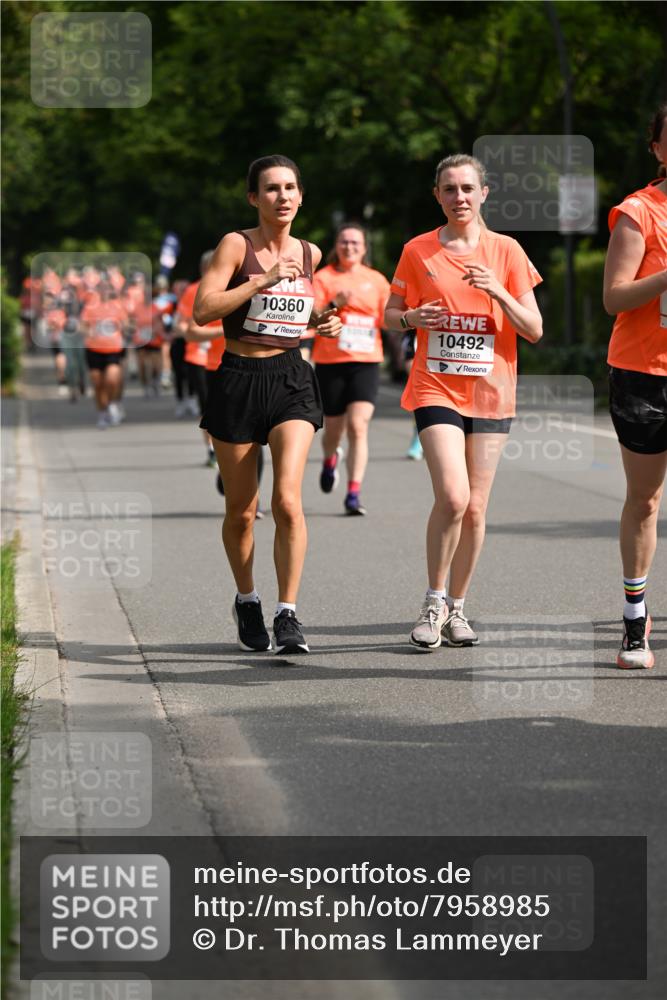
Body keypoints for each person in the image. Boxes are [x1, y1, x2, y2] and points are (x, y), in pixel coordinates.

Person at [384, 153, 542, 650]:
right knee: (453, 496)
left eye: (468, 188)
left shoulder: (507, 251)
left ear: (484, 193)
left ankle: (457, 608)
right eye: (449, 189)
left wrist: (499, 291)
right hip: (436, 385)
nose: (459, 197)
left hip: (492, 392)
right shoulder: (418, 250)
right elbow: (389, 314)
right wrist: (411, 319)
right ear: (437, 195)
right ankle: (432, 603)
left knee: (474, 508)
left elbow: (534, 329)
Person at [194, 154, 341, 655]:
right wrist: (261, 279)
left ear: (301, 197)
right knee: (242, 512)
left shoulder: (311, 252)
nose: (283, 196)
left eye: (290, 188)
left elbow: (297, 310)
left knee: (288, 501)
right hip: (238, 378)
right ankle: (248, 600)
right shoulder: (236, 245)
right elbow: (203, 309)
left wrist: (321, 321)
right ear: (254, 198)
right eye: (272, 188)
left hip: (291, 378)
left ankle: (288, 613)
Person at [602, 104, 667, 670]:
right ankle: (634, 616)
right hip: (645, 373)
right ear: (657, 148)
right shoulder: (638, 211)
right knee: (645, 500)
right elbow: (614, 297)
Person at [312, 222, 390, 515]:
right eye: (344, 242)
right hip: (330, 362)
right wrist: (335, 302)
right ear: (336, 245)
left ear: (364, 248)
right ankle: (330, 459)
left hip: (366, 362)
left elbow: (388, 319)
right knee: (333, 430)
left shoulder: (377, 280)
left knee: (358, 425)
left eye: (355, 242)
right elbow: (312, 317)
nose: (349, 247)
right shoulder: (323, 278)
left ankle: (353, 493)